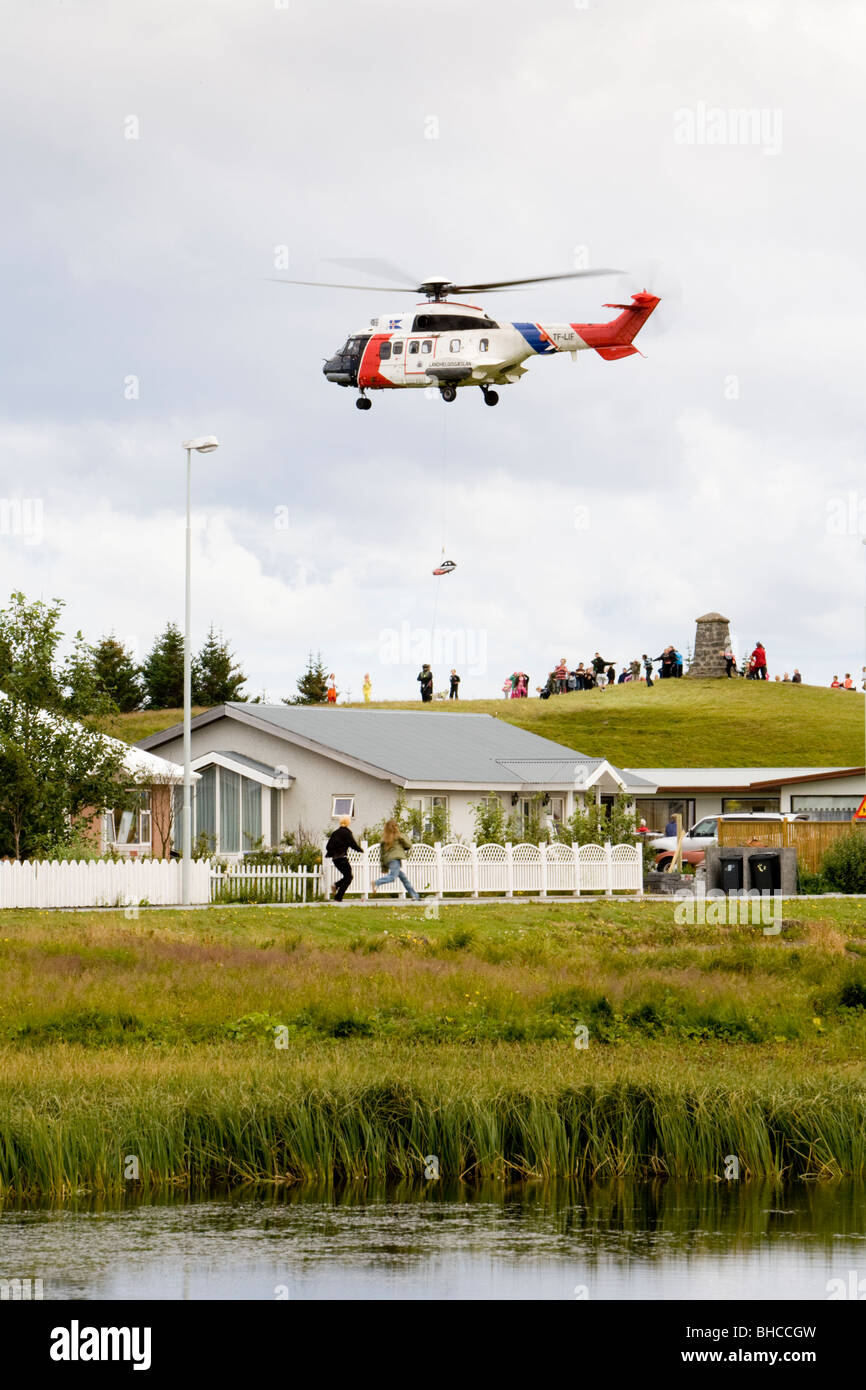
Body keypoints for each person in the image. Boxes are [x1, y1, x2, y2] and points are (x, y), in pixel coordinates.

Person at [372, 820, 420, 899]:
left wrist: (384, 867)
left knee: (403, 878)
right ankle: (377, 882)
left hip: (388, 861)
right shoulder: (399, 836)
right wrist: (401, 836)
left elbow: (382, 854)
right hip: (395, 860)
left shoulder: (384, 839)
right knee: (392, 877)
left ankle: (415, 895)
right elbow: (409, 845)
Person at [325, 815, 362, 903]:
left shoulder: (335, 833)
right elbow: (352, 844)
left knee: (347, 876)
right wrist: (360, 850)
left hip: (335, 859)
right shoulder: (347, 833)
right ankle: (338, 896)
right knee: (349, 877)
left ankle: (336, 886)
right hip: (342, 858)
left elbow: (328, 846)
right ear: (348, 822)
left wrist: (334, 852)